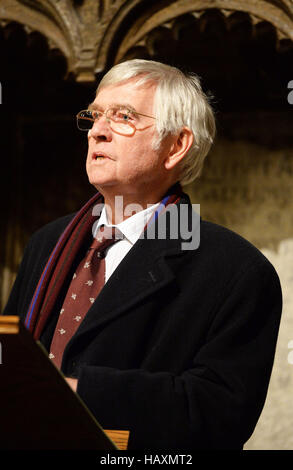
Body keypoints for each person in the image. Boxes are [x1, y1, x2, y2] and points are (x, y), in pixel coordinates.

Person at [3, 59, 282, 450]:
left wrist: (76, 393)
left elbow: (219, 412)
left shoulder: (236, 270)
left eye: (123, 116)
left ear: (176, 146)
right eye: (95, 115)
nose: (97, 132)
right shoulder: (47, 243)